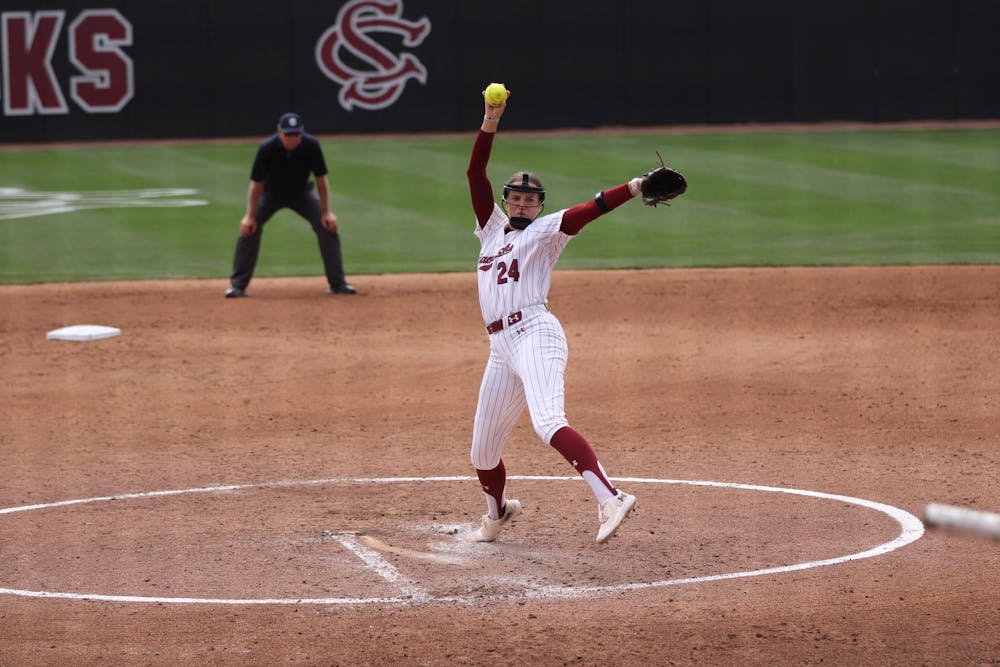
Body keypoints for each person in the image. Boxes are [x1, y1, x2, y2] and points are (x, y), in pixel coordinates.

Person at [466, 89, 646, 544]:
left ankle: (611, 497)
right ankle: (497, 514)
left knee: (547, 421)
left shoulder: (548, 231)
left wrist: (636, 187)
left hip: (535, 333)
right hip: (500, 348)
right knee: (482, 450)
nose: (523, 205)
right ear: (506, 201)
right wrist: (490, 119)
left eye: (531, 200)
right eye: (516, 198)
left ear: (540, 206)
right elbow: (474, 172)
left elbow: (591, 209)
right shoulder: (489, 232)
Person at [225, 112, 355, 297]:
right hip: (271, 194)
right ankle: (238, 286)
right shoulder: (267, 148)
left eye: (296, 134)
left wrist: (327, 212)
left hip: (301, 193)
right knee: (250, 229)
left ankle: (338, 284)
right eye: (288, 135)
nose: (293, 139)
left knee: (327, 227)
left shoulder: (311, 145)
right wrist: (250, 216)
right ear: (279, 132)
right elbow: (256, 185)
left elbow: (321, 180)